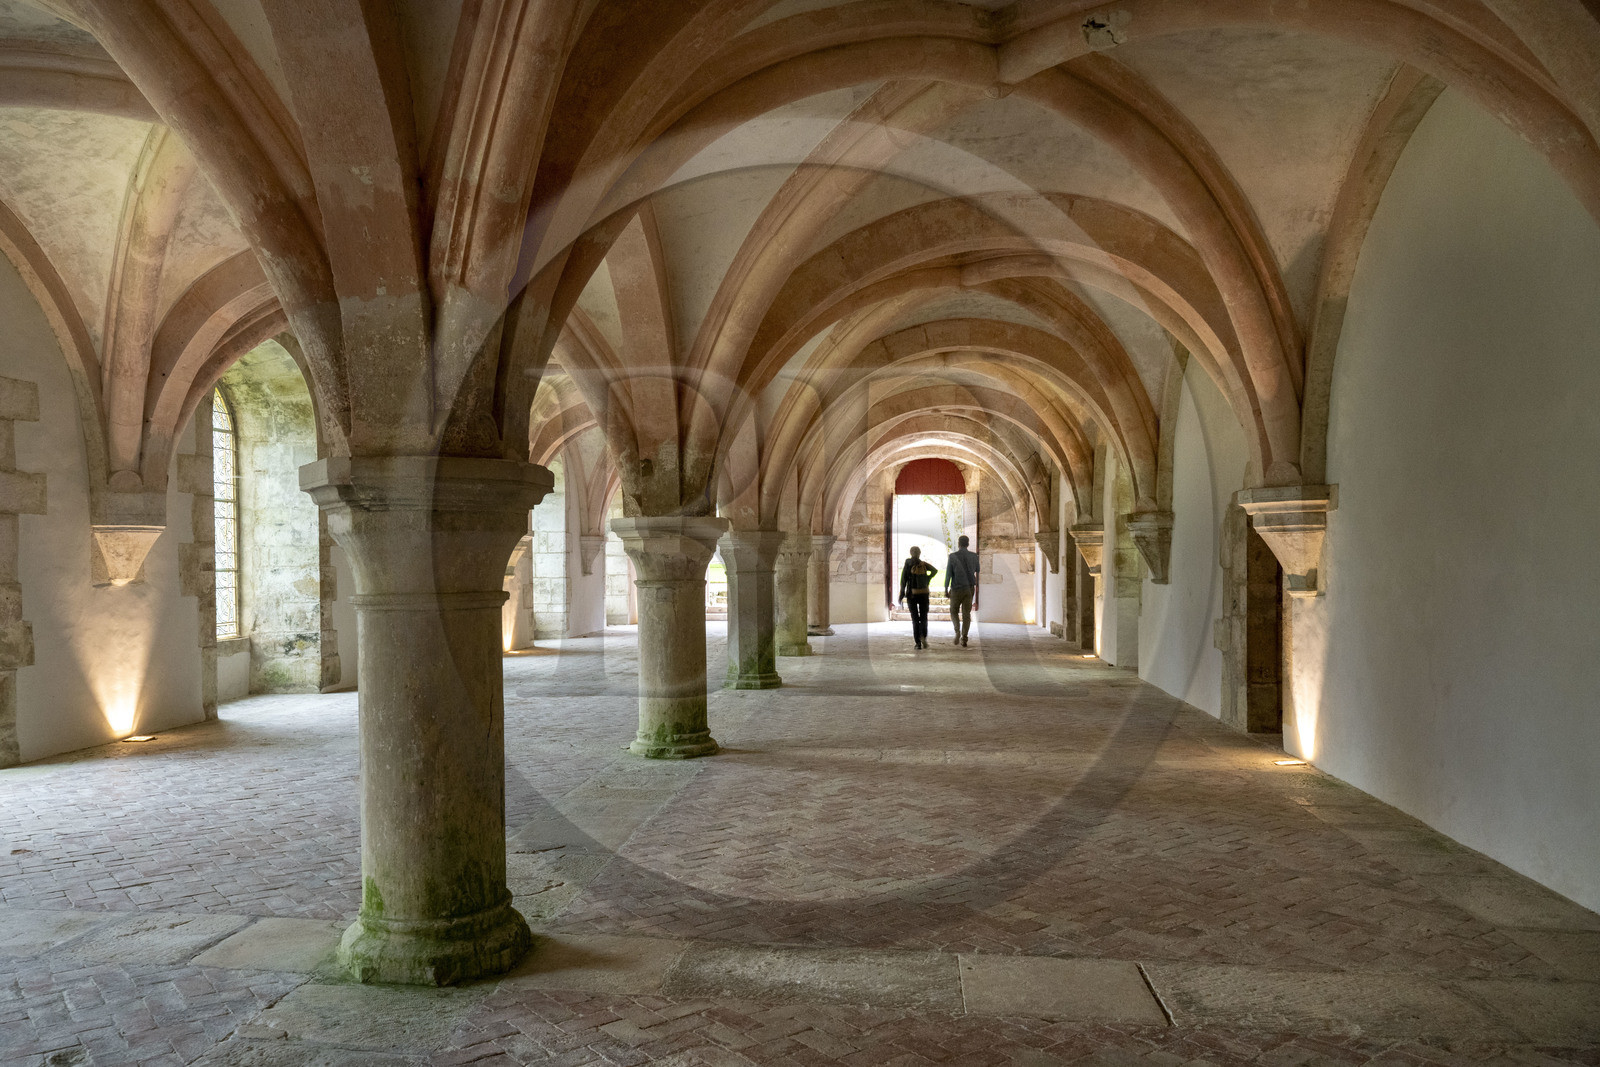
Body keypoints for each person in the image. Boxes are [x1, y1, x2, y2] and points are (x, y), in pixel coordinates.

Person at [897, 546, 938, 649]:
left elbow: (904, 579)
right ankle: (923, 636)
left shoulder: (908, 563)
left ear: (911, 553)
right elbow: (935, 570)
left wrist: (902, 594)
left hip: (912, 594)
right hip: (924, 593)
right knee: (924, 617)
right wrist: (927, 579)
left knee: (915, 619)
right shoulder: (923, 564)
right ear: (919, 553)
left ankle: (918, 643)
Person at [945, 534, 980, 647]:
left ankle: (957, 630)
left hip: (956, 588)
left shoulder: (952, 556)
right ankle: (964, 638)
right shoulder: (974, 556)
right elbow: (977, 570)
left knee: (953, 611)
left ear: (959, 544)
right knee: (966, 614)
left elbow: (948, 574)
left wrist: (946, 588)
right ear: (968, 544)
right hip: (969, 588)